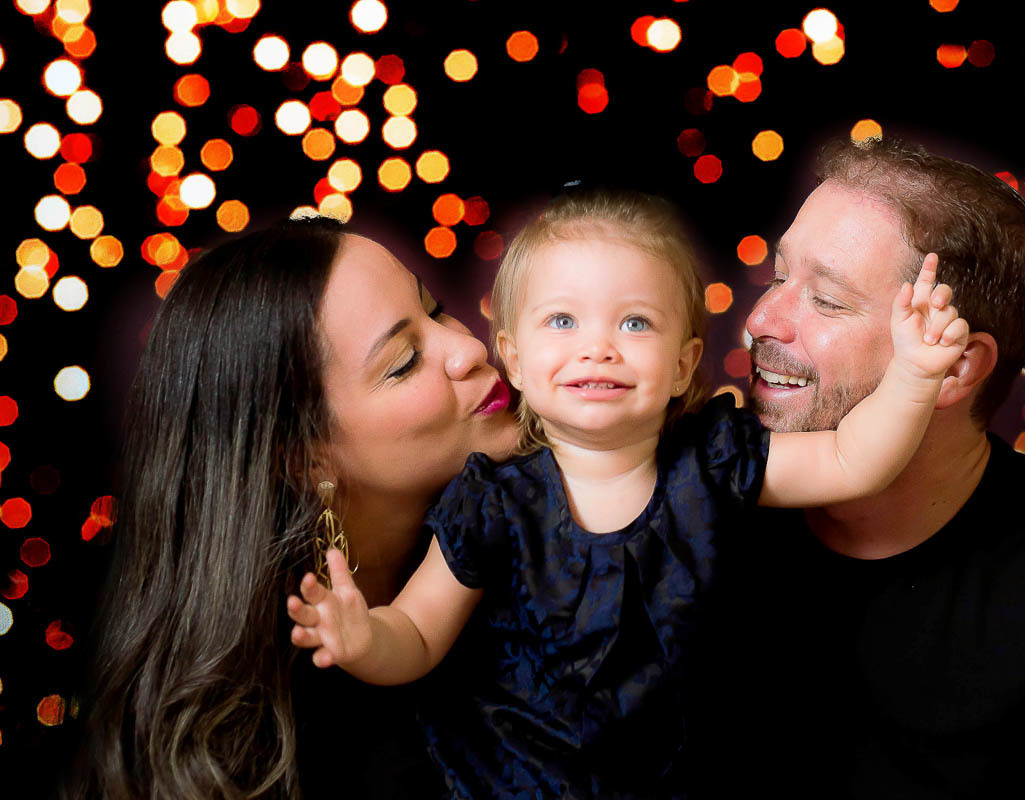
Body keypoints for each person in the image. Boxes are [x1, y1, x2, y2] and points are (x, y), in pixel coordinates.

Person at [286, 189, 970, 797]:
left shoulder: (712, 461)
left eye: (635, 323)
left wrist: (913, 375)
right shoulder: (493, 503)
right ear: (515, 359)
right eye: (562, 322)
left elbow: (855, 460)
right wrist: (364, 639)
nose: (599, 348)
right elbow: (417, 634)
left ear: (682, 365)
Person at [697, 135, 1025, 798]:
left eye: (827, 300)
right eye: (779, 277)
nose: (762, 318)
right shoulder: (697, 508)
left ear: (955, 368)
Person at [69, 217, 518, 799]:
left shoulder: (558, 527)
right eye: (405, 360)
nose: (469, 347)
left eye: (434, 312)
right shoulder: (269, 742)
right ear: (303, 460)